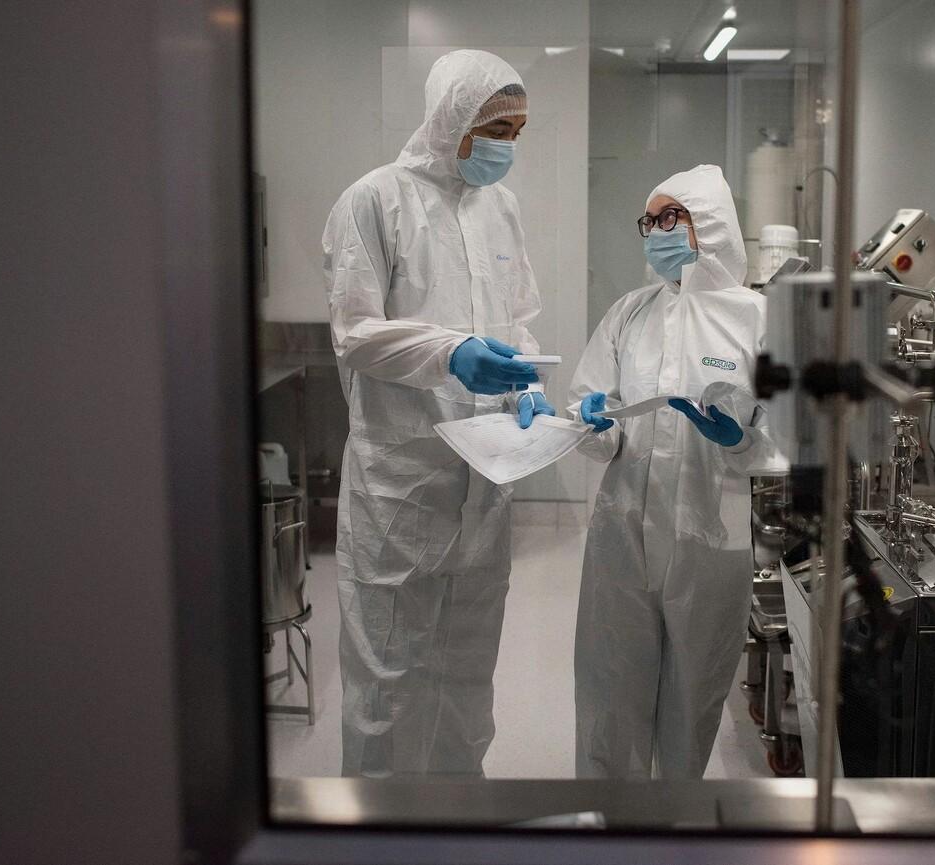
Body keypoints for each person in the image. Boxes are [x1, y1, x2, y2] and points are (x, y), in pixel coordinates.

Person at [321, 49, 554, 778]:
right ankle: (382, 832)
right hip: (403, 486)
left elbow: (521, 318)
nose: (505, 145)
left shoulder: (502, 209)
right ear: (451, 115)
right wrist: (450, 353)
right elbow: (354, 333)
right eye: (494, 126)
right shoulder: (373, 200)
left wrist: (527, 382)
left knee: (466, 680)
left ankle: (460, 820)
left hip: (484, 487)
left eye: (517, 130)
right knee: (388, 684)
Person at [568, 164, 777, 779]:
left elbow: (784, 428)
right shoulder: (629, 313)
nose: (656, 232)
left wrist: (741, 440)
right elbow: (590, 402)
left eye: (670, 218)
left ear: (706, 224)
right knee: (612, 681)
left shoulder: (756, 319)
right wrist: (592, 423)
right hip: (622, 529)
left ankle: (676, 815)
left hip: (707, 532)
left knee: (693, 687)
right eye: (649, 221)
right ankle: (612, 819)